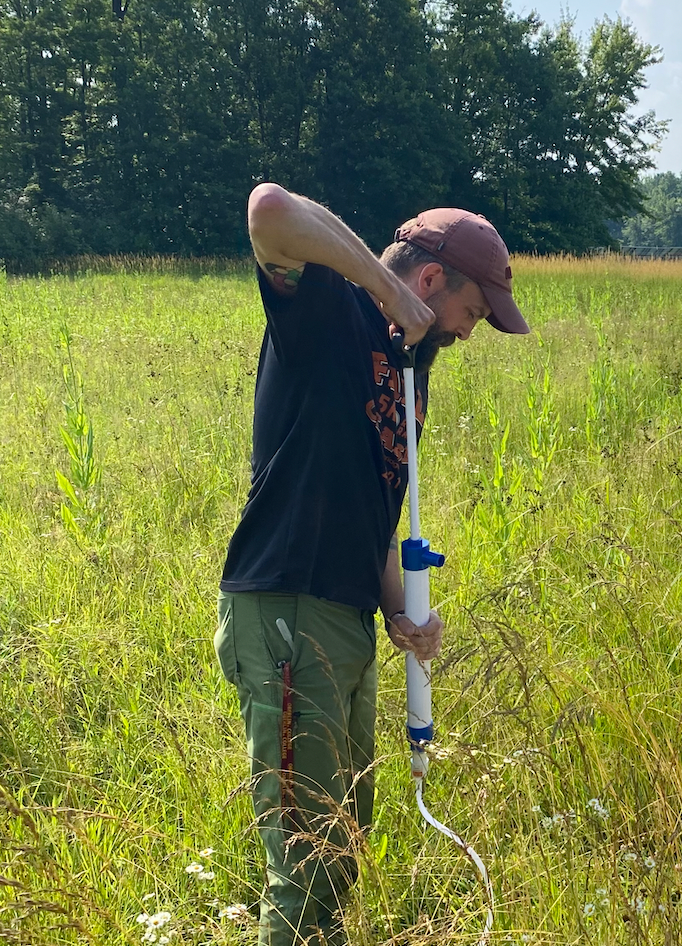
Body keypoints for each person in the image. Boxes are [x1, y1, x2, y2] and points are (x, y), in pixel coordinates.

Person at [213, 183, 529, 946]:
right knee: (306, 860)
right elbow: (269, 209)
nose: (471, 331)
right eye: (472, 311)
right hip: (288, 609)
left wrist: (399, 612)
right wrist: (383, 288)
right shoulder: (330, 311)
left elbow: (374, 518)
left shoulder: (412, 366)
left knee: (344, 840)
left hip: (347, 617)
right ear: (431, 279)